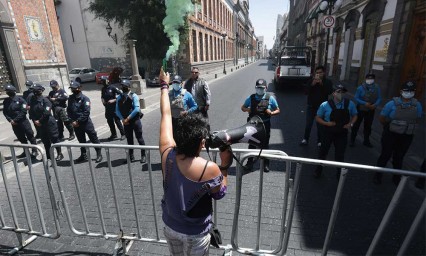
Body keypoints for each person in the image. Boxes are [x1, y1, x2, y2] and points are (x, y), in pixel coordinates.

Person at [159, 67, 232, 254]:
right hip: (195, 233)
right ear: (202, 142)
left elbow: (166, 115)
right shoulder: (210, 168)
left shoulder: (167, 152)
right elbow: (220, 193)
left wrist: (164, 86)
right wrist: (224, 166)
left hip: (170, 226)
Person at [374, 81, 423, 185]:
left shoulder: (417, 105)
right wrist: (390, 127)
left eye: (411, 91)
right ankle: (378, 175)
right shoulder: (391, 104)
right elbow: (382, 118)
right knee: (385, 155)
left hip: (406, 135)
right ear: (401, 91)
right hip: (391, 134)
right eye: (406, 91)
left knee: (399, 157)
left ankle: (396, 177)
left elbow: (417, 119)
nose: (408, 93)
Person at [314, 84, 357, 178]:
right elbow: (317, 117)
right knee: (323, 152)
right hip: (328, 132)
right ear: (333, 93)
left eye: (342, 92)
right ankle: (318, 170)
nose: (340, 94)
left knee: (340, 155)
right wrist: (326, 123)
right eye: (338, 92)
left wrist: (351, 124)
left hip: (342, 133)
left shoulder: (350, 104)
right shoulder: (325, 105)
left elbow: (355, 115)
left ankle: (339, 174)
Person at [241, 79, 280, 172]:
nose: (260, 89)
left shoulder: (270, 98)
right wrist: (248, 110)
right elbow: (243, 107)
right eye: (258, 88)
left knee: (265, 145)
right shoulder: (251, 98)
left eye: (262, 88)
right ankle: (249, 163)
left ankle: (266, 164)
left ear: (265, 88)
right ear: (255, 88)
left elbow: (278, 110)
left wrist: (271, 112)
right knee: (251, 144)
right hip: (253, 125)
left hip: (265, 124)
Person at [67, 81, 103, 163]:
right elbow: (69, 110)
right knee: (81, 140)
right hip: (76, 124)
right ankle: (83, 155)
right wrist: (72, 121)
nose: (73, 90)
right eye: (72, 88)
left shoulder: (85, 99)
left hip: (85, 123)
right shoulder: (71, 98)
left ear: (79, 88)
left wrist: (78, 121)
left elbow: (86, 112)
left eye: (74, 88)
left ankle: (99, 154)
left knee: (93, 138)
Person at [300, 66, 333, 147]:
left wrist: (322, 84)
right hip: (311, 106)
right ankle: (305, 139)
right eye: (317, 73)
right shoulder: (311, 80)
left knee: (320, 125)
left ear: (324, 73)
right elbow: (305, 92)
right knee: (308, 124)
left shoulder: (328, 82)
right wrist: (312, 84)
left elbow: (329, 92)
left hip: (322, 108)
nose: (318, 74)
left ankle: (320, 141)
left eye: (320, 72)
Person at [28, 84, 63, 161]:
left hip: (49, 123)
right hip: (40, 125)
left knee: (54, 138)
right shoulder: (32, 101)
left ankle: (60, 153)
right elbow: (31, 112)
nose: (34, 92)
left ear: (40, 91)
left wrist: (39, 121)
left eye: (36, 90)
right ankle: (48, 155)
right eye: (34, 90)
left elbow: (46, 112)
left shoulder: (45, 100)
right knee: (45, 140)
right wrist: (35, 121)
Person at [115, 79, 146, 163]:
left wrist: (127, 118)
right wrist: (122, 119)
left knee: (139, 138)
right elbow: (117, 110)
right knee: (129, 140)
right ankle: (131, 156)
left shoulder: (134, 96)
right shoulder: (119, 97)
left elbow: (136, 109)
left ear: (129, 87)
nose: (123, 87)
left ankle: (143, 155)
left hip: (135, 120)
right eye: (122, 86)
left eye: (124, 86)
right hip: (126, 122)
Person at [3, 84, 38, 158]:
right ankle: (26, 152)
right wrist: (10, 120)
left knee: (30, 136)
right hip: (14, 124)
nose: (7, 92)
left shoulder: (20, 99)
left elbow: (23, 111)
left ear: (13, 91)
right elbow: (5, 112)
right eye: (7, 91)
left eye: (9, 91)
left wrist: (15, 120)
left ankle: (35, 150)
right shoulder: (6, 101)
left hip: (23, 122)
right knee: (21, 138)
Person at [350, 73, 382, 147]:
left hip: (371, 109)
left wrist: (375, 105)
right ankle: (352, 140)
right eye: (368, 78)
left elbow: (379, 98)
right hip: (360, 108)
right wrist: (364, 103)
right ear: (366, 79)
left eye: (371, 79)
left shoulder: (377, 88)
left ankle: (366, 140)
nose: (370, 80)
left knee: (368, 126)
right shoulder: (360, 88)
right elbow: (356, 98)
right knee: (356, 125)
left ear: (374, 79)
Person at [100, 76, 125, 141]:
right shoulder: (103, 89)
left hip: (114, 107)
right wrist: (103, 101)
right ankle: (113, 134)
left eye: (103, 81)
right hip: (107, 108)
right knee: (110, 121)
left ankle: (123, 134)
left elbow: (121, 95)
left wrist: (114, 100)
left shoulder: (112, 87)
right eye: (102, 81)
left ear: (107, 81)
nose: (102, 82)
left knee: (117, 121)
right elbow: (102, 96)